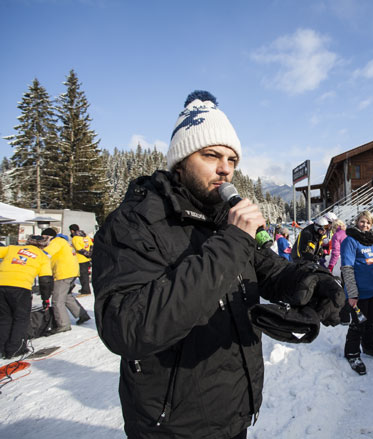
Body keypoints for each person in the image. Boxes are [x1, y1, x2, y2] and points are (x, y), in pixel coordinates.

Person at [92, 90, 344, 439]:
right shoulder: (133, 223)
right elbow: (127, 327)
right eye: (211, 155)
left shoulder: (222, 219)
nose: (225, 168)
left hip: (234, 412)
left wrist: (314, 281)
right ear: (180, 161)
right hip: (172, 426)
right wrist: (233, 241)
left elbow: (269, 268)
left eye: (232, 159)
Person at [340, 211, 373, 375]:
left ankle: (370, 346)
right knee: (358, 324)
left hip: (372, 290)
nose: (365, 225)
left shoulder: (372, 241)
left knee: (372, 321)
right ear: (357, 222)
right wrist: (352, 293)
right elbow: (347, 268)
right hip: (358, 293)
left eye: (368, 223)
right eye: (362, 221)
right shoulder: (350, 241)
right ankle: (352, 353)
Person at [0, 235, 53, 359]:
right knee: (21, 318)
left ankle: (2, 347)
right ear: (43, 245)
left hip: (1, 284)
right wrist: (45, 298)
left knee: (4, 318)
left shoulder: (12, 248)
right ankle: (15, 349)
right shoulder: (43, 257)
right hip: (21, 287)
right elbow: (46, 280)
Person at [42, 227, 90, 332]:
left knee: (57, 300)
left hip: (63, 273)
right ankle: (82, 314)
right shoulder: (63, 241)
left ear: (49, 237)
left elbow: (44, 254)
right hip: (72, 271)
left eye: (44, 238)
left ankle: (63, 325)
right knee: (67, 295)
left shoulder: (55, 242)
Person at [69, 224, 93, 295]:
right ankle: (85, 289)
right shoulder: (86, 236)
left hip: (80, 259)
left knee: (82, 276)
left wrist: (87, 254)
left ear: (72, 230)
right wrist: (90, 254)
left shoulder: (75, 238)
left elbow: (79, 249)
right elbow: (91, 245)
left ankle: (85, 290)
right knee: (84, 274)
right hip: (87, 259)